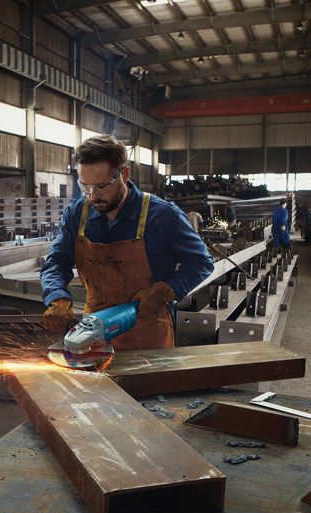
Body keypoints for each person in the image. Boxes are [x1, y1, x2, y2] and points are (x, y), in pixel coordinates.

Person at [40, 134, 214, 351]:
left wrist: (166, 291)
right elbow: (56, 263)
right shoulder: (77, 214)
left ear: (124, 173)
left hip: (149, 334)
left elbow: (202, 263)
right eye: (85, 187)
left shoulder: (161, 215)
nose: (93, 196)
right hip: (93, 334)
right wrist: (56, 297)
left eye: (101, 186)